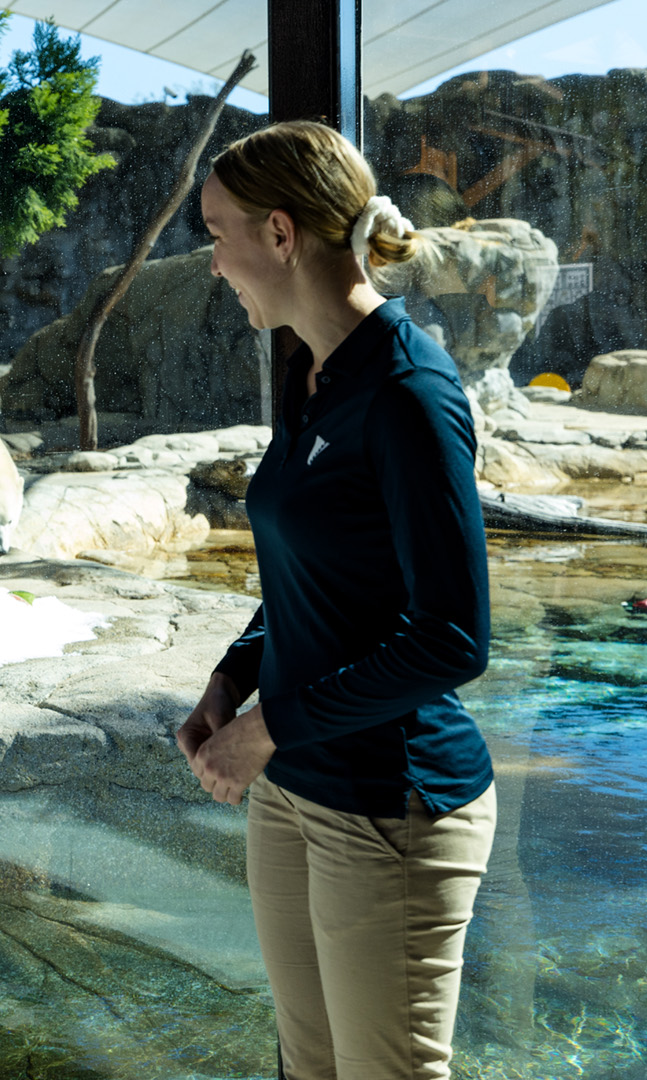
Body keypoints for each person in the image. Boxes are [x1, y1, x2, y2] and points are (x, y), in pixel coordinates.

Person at [177, 120, 497, 1080]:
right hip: (297, 788)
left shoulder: (408, 394)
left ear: (281, 235)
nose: (213, 261)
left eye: (218, 231)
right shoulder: (309, 374)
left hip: (392, 805)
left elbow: (451, 640)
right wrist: (231, 680)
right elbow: (311, 575)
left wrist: (270, 726)